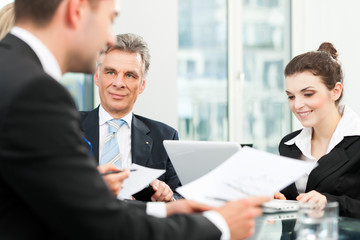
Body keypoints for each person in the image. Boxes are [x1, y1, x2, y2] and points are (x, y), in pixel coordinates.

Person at [0, 0, 269, 239]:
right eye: (110, 19)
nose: (108, 38)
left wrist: (165, 208)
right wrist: (218, 224)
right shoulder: (35, 91)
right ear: (76, 10)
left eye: (130, 75)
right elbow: (98, 224)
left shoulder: (12, 73)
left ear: (141, 84)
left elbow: (45, 200)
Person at [81, 33, 182, 202]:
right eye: (111, 72)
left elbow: (182, 198)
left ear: (142, 84)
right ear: (97, 77)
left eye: (130, 75)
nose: (119, 83)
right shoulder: (68, 127)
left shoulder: (165, 137)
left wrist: (169, 197)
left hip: (140, 224)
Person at [276, 42, 360, 218]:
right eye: (291, 96)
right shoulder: (288, 145)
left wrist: (329, 203)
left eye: (308, 94)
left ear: (335, 91)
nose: (297, 105)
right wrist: (276, 198)